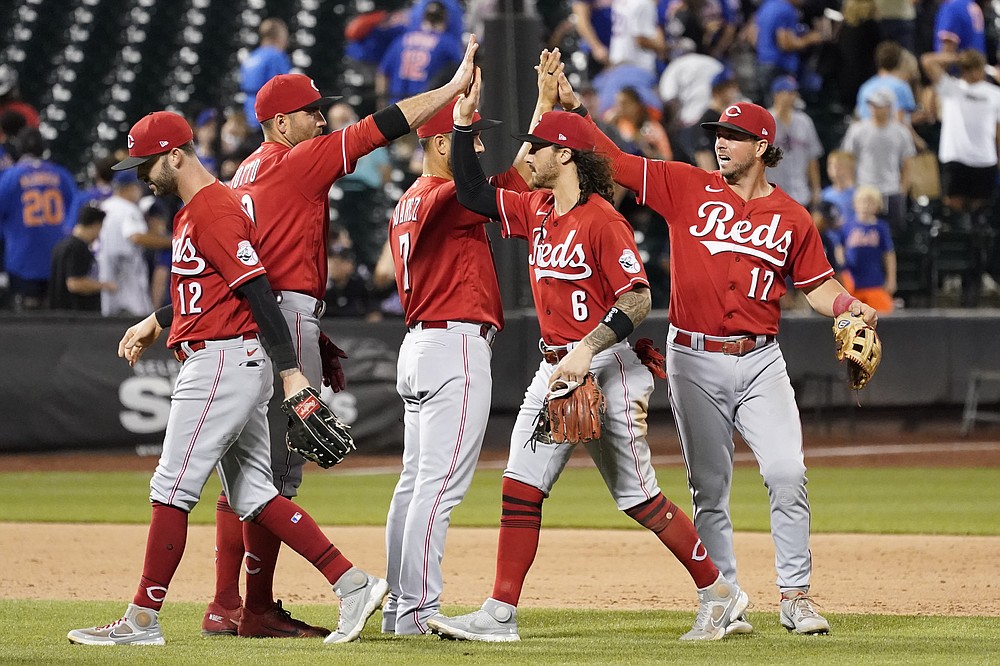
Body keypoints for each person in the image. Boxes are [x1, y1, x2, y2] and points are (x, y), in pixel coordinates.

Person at [427, 63, 748, 643]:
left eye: (538, 148)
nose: (528, 156)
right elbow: (473, 194)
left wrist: (586, 350)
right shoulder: (537, 210)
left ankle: (720, 592)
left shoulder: (604, 221)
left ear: (567, 156)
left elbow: (638, 297)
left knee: (639, 498)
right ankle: (500, 614)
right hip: (556, 367)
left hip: (611, 370)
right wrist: (462, 117)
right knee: (521, 484)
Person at [554, 70, 879, 634]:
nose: (719, 143)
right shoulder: (686, 185)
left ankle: (796, 597)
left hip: (760, 360)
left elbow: (818, 287)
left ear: (761, 147)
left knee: (787, 471)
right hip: (694, 359)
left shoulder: (792, 217)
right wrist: (577, 107)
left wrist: (851, 306)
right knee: (709, 486)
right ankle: (724, 600)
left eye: (731, 136)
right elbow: (614, 161)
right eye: (716, 135)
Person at [66, 110, 388, 646]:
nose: (139, 174)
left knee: (171, 487)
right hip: (224, 356)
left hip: (222, 360)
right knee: (254, 493)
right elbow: (209, 289)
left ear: (175, 155)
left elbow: (259, 292)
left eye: (146, 163)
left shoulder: (214, 208)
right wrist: (156, 321)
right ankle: (353, 584)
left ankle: (141, 620)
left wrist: (291, 375)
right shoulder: (196, 211)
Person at [203, 40, 483, 638]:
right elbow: (382, 127)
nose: (320, 118)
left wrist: (158, 315)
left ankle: (230, 602)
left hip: (250, 315)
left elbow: (224, 254)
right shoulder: (296, 160)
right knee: (278, 475)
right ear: (280, 123)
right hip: (285, 314)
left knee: (247, 467)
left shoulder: (243, 173)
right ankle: (255, 607)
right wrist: (453, 88)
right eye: (310, 111)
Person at [383, 97, 514, 636]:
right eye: (469, 139)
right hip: (453, 345)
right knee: (438, 488)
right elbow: (516, 181)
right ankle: (416, 609)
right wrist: (543, 114)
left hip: (419, 345)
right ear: (441, 145)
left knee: (414, 485)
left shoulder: (409, 201)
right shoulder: (447, 194)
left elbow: (507, 177)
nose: (477, 148)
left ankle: (397, 606)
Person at [0, 127, 76, 310]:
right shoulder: (62, 175)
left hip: (22, 259)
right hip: (57, 257)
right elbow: (75, 211)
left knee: (27, 324)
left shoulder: (10, 177)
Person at [840, 88, 916, 232]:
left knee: (893, 234)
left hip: (891, 190)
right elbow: (847, 158)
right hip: (864, 189)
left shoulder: (901, 132)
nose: (874, 109)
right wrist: (851, 185)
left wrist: (903, 190)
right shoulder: (857, 130)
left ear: (889, 107)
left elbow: (908, 163)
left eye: (879, 105)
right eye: (872, 105)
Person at [98, 170, 168, 316]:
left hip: (106, 272)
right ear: (128, 188)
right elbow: (136, 236)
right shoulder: (128, 209)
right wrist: (173, 242)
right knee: (137, 318)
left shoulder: (104, 206)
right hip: (127, 273)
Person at [377, 2, 464, 106]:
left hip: (396, 108)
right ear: (445, 18)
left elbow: (382, 73)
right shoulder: (448, 43)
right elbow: (462, 74)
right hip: (425, 108)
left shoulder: (401, 40)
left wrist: (381, 106)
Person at [767, 76, 822, 208]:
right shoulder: (766, 120)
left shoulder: (804, 121)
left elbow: (812, 159)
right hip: (773, 194)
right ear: (777, 94)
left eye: (794, 93)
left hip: (800, 194)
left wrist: (816, 189)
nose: (792, 97)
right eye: (788, 92)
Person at [840, 185, 897, 312]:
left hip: (874, 281)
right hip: (852, 283)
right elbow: (840, 250)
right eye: (862, 201)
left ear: (878, 206)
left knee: (881, 315)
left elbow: (889, 254)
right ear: (855, 204)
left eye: (870, 202)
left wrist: (891, 279)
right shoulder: (847, 225)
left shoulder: (881, 227)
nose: (865, 205)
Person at [48, 205, 116, 311]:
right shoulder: (78, 247)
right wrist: (105, 286)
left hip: (60, 314)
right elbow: (75, 283)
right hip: (77, 316)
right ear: (96, 225)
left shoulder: (62, 244)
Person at [240, 18, 292, 130]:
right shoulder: (276, 56)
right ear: (279, 36)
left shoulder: (251, 57)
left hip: (247, 113)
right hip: (265, 117)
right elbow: (281, 88)